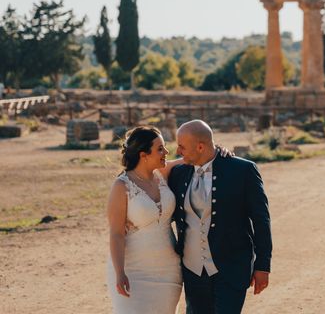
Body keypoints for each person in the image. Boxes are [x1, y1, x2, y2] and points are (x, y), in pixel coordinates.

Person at [106, 125, 232, 313]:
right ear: (143, 155)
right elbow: (116, 234)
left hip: (168, 271)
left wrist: (218, 149)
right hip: (134, 271)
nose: (166, 152)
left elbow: (198, 155)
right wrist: (119, 273)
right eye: (160, 149)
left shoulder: (163, 174)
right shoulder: (121, 186)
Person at [168, 119, 272, 314]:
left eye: (182, 147)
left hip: (231, 268)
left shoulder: (242, 170)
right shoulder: (178, 174)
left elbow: (261, 220)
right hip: (193, 271)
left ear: (200, 146)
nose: (178, 151)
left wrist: (262, 265)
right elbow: (144, 174)